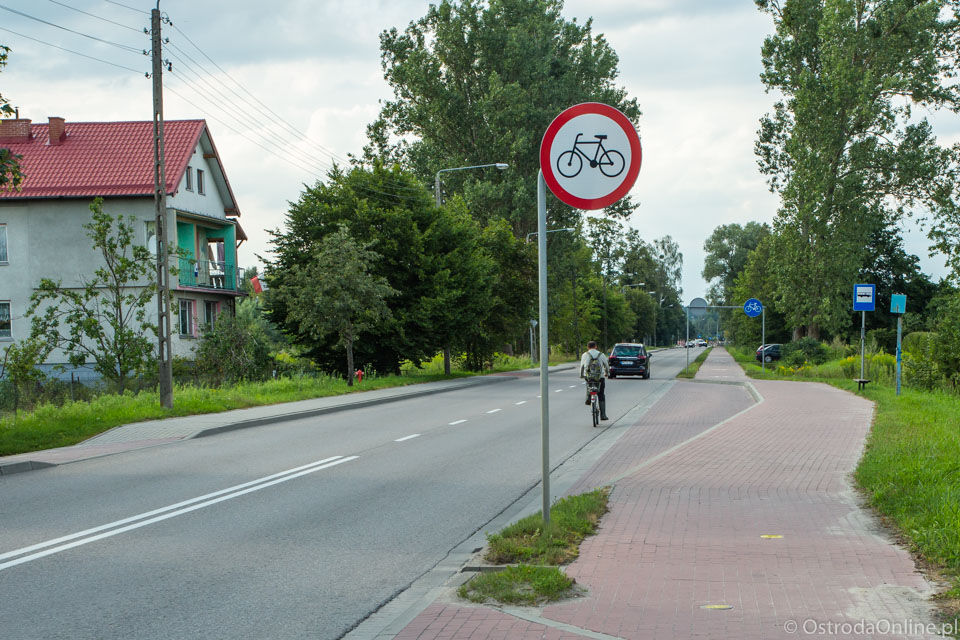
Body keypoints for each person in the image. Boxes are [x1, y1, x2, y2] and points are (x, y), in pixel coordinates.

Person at [579, 340, 609, 420]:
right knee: (601, 394)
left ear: (588, 347)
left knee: (589, 385)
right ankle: (603, 415)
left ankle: (589, 397)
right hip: (600, 377)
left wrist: (582, 375)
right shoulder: (601, 354)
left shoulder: (585, 355)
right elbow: (606, 365)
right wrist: (607, 373)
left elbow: (582, 366)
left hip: (589, 377)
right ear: (596, 346)